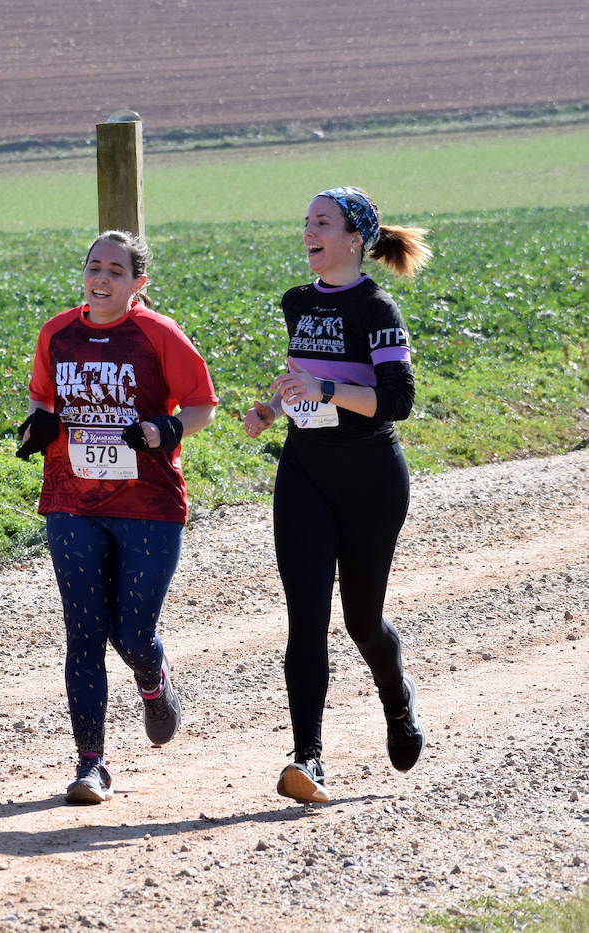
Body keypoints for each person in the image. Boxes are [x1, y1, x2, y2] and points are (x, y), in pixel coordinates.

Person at [242, 185, 432, 804]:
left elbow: (396, 402)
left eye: (321, 223)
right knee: (306, 620)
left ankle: (397, 701)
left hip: (371, 477)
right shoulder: (297, 302)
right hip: (304, 471)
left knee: (360, 621)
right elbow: (303, 374)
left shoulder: (378, 311)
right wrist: (275, 406)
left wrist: (325, 389)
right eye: (305, 222)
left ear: (355, 237)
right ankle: (308, 759)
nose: (308, 232)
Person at [18, 230, 217, 804]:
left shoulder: (157, 335)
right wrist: (42, 426)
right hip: (71, 501)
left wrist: (165, 429)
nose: (101, 279)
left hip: (148, 507)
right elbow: (41, 399)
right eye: (93, 267)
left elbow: (202, 404)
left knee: (131, 634)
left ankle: (153, 681)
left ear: (137, 284)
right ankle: (90, 765)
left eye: (115, 271)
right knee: (83, 634)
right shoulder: (57, 332)